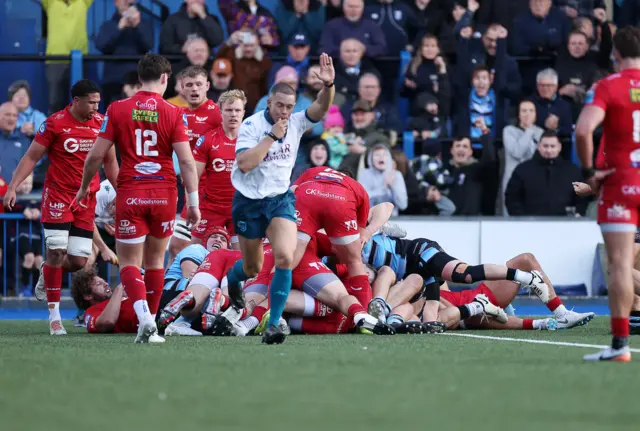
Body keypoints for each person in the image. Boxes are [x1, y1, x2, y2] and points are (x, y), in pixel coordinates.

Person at [76, 54, 201, 344]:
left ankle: (144, 318)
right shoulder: (173, 112)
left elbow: (96, 155)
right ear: (165, 78)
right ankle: (153, 325)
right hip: (164, 193)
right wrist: (192, 202)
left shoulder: (118, 109)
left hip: (131, 192)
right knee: (156, 262)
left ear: (138, 77)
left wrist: (84, 188)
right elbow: (186, 161)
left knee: (130, 262)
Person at [226, 53, 335, 344]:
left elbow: (320, 110)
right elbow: (246, 163)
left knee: (286, 257)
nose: (284, 112)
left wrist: (328, 85)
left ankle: (273, 324)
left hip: (279, 200)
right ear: (268, 103)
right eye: (279, 106)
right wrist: (272, 137)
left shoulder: (296, 122)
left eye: (289, 107)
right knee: (252, 268)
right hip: (248, 203)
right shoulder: (251, 126)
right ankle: (232, 280)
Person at [3, 79, 115, 335]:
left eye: (99, 102)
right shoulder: (55, 123)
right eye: (91, 102)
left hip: (87, 200)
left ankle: (48, 269)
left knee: (78, 261)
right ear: (76, 101)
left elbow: (110, 160)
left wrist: (120, 190)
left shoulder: (102, 124)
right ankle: (55, 318)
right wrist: (12, 186)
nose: (96, 107)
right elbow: (32, 156)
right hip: (58, 197)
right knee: (56, 250)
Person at [576, 26, 640, 362]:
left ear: (615, 54)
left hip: (621, 184)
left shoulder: (608, 86)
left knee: (618, 265)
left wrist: (590, 172)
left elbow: (584, 130)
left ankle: (619, 347)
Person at [168, 66, 222, 259]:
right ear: (181, 87)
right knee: (178, 247)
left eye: (198, 84)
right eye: (189, 85)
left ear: (207, 85)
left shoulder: (217, 114)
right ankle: (179, 287)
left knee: (183, 246)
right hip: (189, 189)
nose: (194, 89)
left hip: (210, 191)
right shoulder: (176, 114)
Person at [191, 90, 247, 248]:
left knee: (241, 261)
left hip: (240, 208)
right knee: (195, 254)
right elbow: (193, 177)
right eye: (229, 110)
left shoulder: (252, 140)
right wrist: (193, 204)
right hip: (211, 208)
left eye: (237, 110)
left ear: (244, 112)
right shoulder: (208, 139)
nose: (233, 114)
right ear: (220, 111)